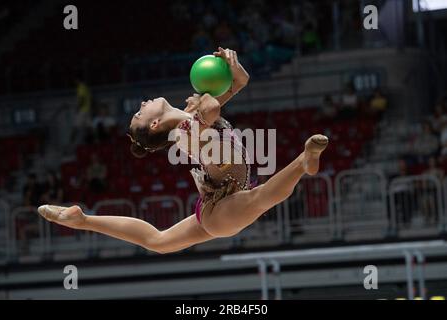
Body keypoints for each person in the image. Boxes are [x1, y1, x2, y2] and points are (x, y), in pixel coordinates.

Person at [37, 47, 329, 254]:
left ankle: (83, 220)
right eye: (140, 114)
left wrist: (232, 66)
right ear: (154, 124)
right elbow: (213, 109)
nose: (141, 105)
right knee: (260, 197)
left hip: (216, 205)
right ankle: (304, 161)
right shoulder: (186, 133)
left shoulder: (190, 115)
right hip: (225, 208)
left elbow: (240, 82)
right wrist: (207, 99)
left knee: (158, 242)